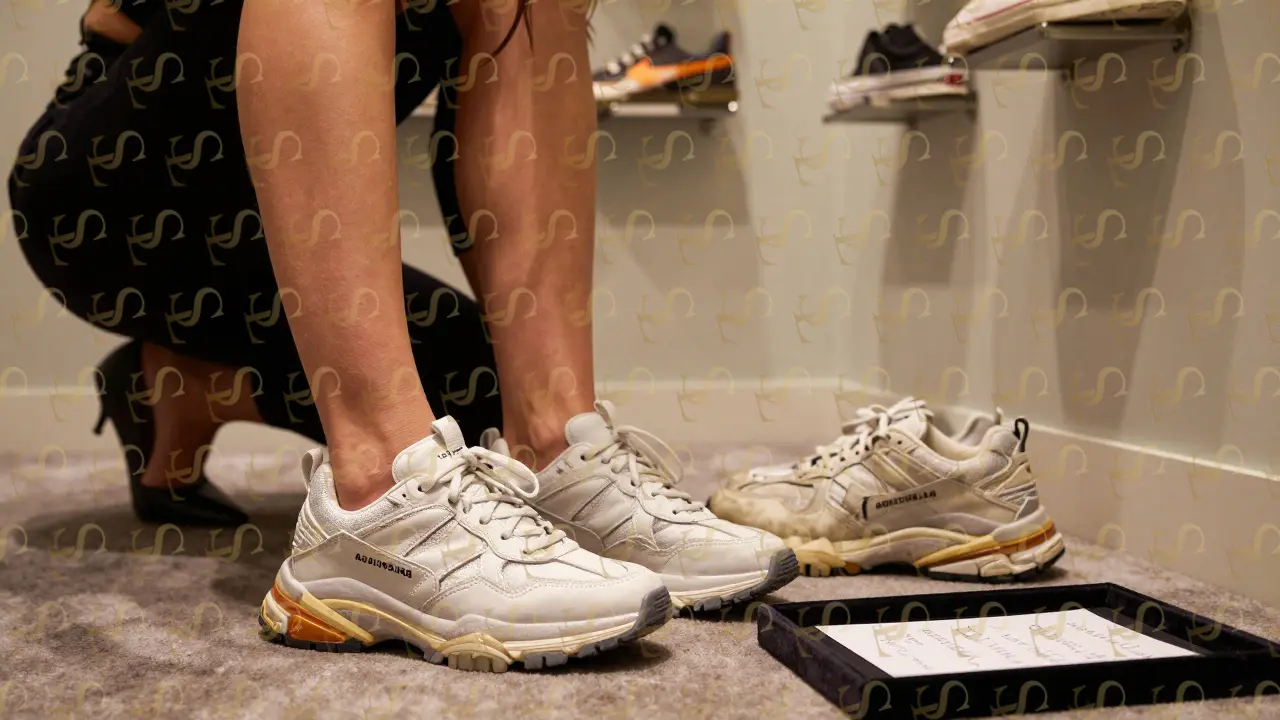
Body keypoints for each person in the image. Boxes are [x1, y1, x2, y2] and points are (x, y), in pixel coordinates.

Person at [9, 0, 797, 669]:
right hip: (130, 201)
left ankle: (552, 446)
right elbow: (109, 18)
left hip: (289, 231)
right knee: (420, 441)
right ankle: (376, 488)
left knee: (471, 390)